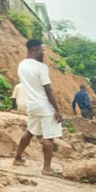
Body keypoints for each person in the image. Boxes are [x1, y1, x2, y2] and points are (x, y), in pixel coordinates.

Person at [13, 39, 63, 176]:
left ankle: (17, 158)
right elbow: (49, 90)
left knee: (29, 132)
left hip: (32, 105)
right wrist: (57, 110)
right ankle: (46, 168)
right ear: (35, 49)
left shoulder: (21, 65)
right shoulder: (41, 67)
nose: (43, 53)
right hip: (45, 106)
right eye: (42, 50)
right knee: (49, 137)